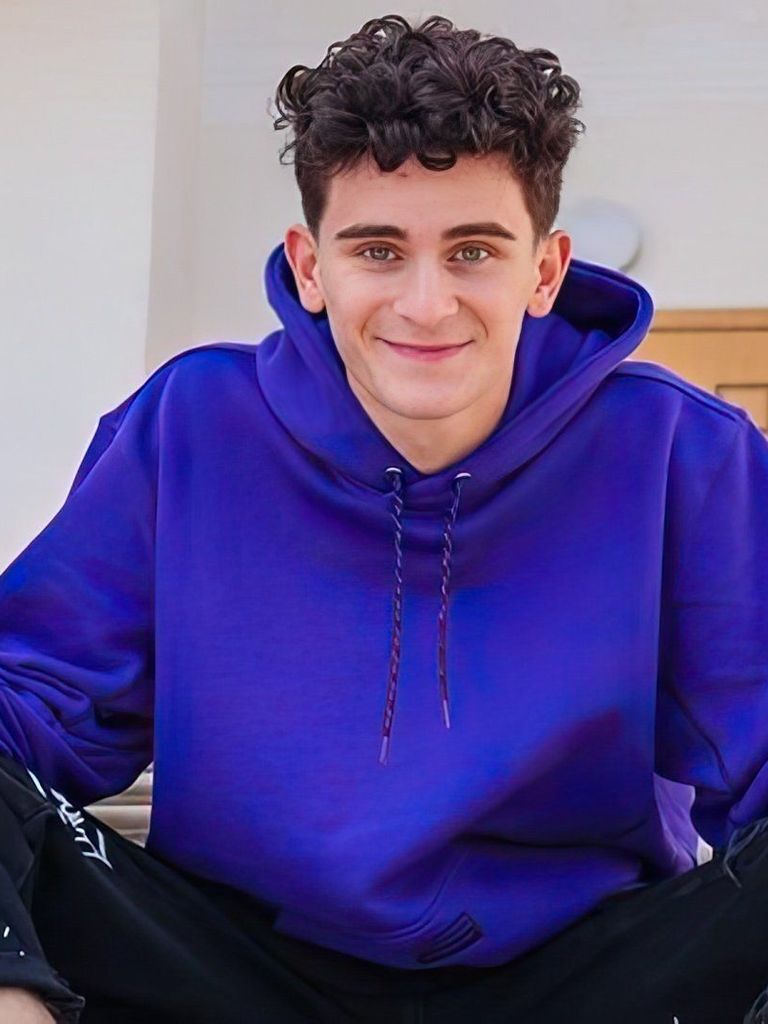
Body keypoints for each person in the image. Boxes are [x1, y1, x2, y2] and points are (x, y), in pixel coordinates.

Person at [1, 11, 768, 1024]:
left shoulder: (684, 452)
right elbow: (33, 699)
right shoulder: (191, 424)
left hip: (578, 974)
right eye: (378, 249)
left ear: (544, 270)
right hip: (240, 967)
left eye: (473, 251)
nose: (425, 304)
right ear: (310, 265)